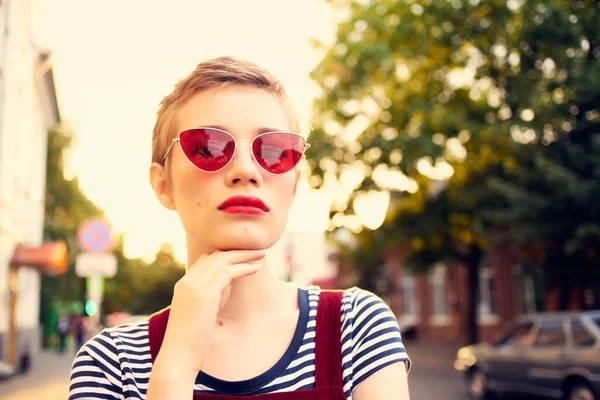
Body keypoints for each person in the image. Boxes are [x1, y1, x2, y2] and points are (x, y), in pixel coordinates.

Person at [68, 56, 411, 399]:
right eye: (208, 147)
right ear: (163, 185)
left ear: (293, 185)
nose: (246, 170)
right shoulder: (111, 364)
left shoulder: (355, 328)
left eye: (276, 151)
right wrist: (177, 364)